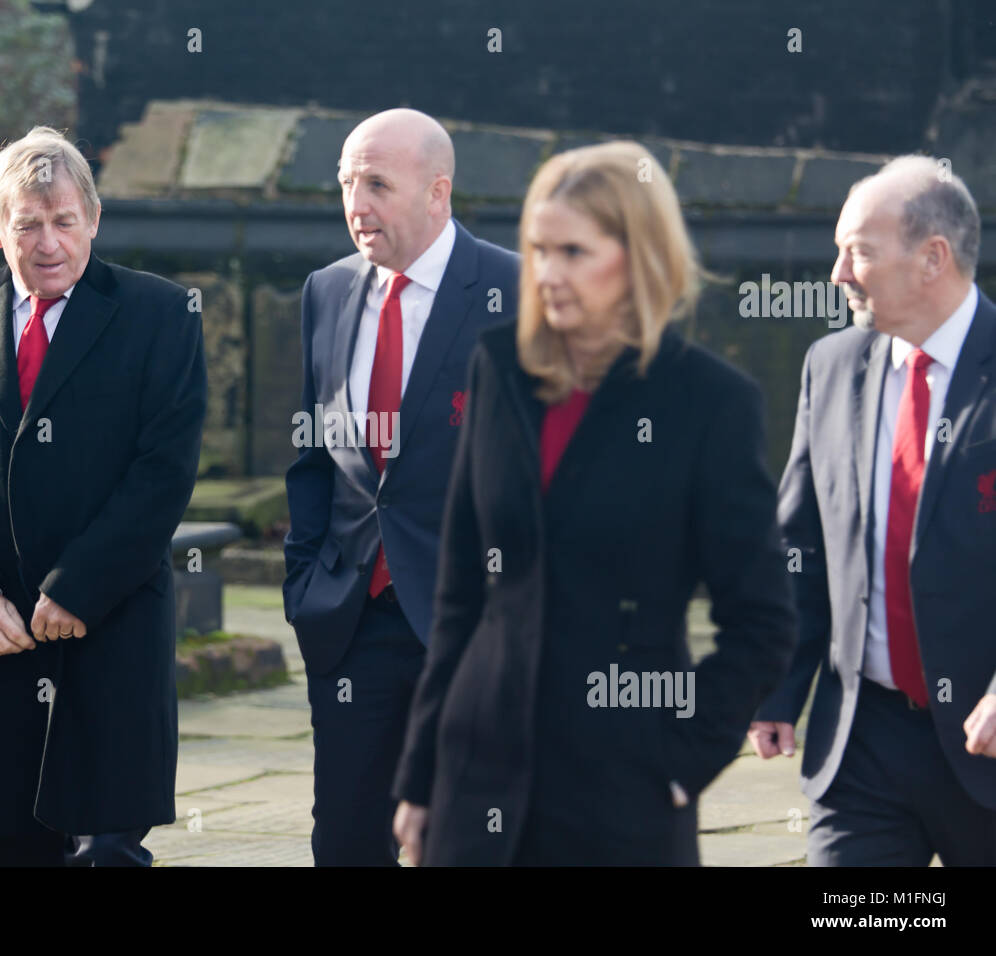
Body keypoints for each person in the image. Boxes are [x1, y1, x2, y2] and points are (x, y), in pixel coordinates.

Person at [391, 141, 797, 865]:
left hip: (623, 794)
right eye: (538, 249)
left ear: (639, 259)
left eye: (574, 252)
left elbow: (762, 622)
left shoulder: (709, 403)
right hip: (476, 777)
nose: (546, 274)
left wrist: (680, 762)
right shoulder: (499, 369)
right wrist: (420, 780)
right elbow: (459, 596)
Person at [0, 126, 206, 866]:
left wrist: (78, 588)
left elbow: (162, 474)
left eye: (65, 221)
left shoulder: (160, 315)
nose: (48, 243)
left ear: (93, 219)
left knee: (108, 854)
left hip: (110, 634)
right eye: (27, 224)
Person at [283, 108, 519, 865]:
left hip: (472, 627)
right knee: (347, 841)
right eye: (348, 182)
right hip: (352, 621)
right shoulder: (326, 290)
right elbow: (312, 459)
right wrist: (305, 577)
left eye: (378, 184)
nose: (357, 202)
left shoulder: (514, 292)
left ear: (438, 192)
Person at [749, 156, 996, 865]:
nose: (837, 274)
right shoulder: (830, 367)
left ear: (932, 258)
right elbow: (800, 542)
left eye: (857, 250)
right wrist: (776, 687)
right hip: (862, 745)